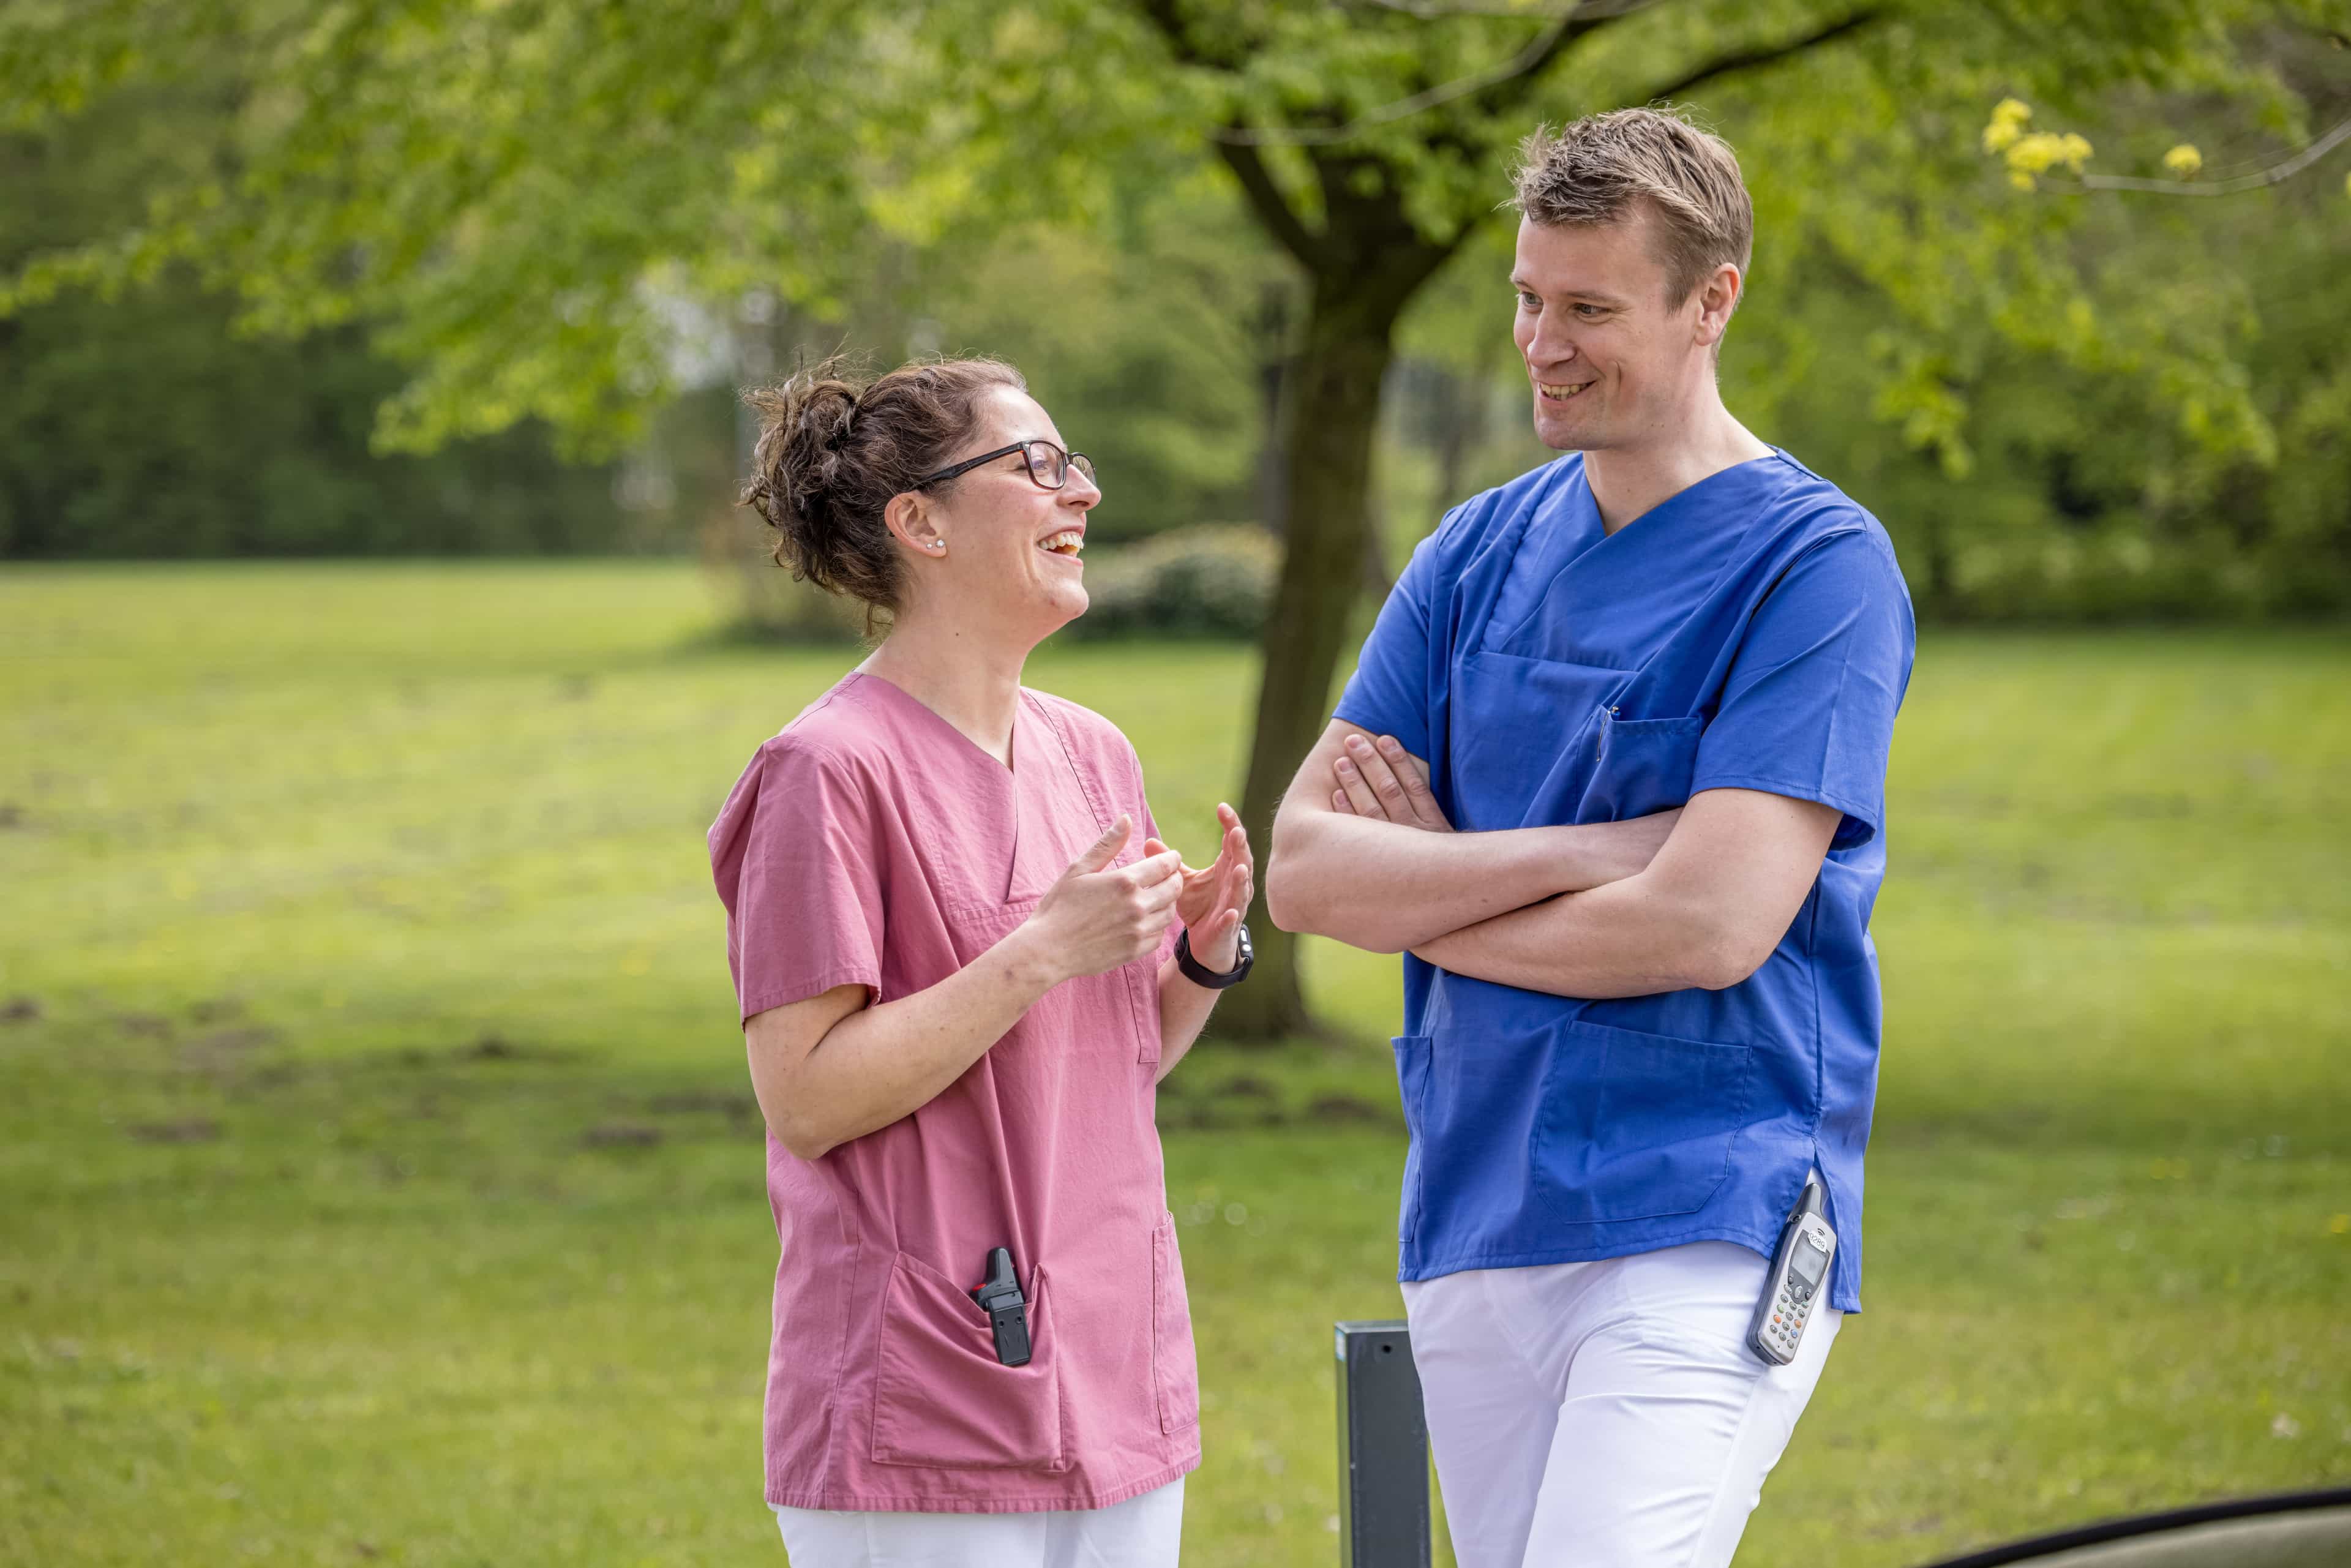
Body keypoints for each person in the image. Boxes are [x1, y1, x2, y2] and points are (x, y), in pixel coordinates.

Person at [1265, 107, 1915, 1567]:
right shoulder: (1475, 553)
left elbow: (1705, 927)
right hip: (1478, 1211)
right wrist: (1593, 849)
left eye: (1589, 309)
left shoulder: (1817, 570)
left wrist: (1420, 895)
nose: (1542, 343)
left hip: (1708, 1209)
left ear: (1712, 302)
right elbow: (1303, 870)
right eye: (1526, 299)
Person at [708, 354, 1256, 1567]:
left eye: (1078, 465)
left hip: (1112, 1374)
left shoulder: (1094, 754)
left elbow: (1114, 1064)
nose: (1086, 494)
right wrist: (1040, 952)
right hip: (925, 1400)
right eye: (1040, 467)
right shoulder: (826, 773)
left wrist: (1201, 959)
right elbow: (806, 1097)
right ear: (922, 523)